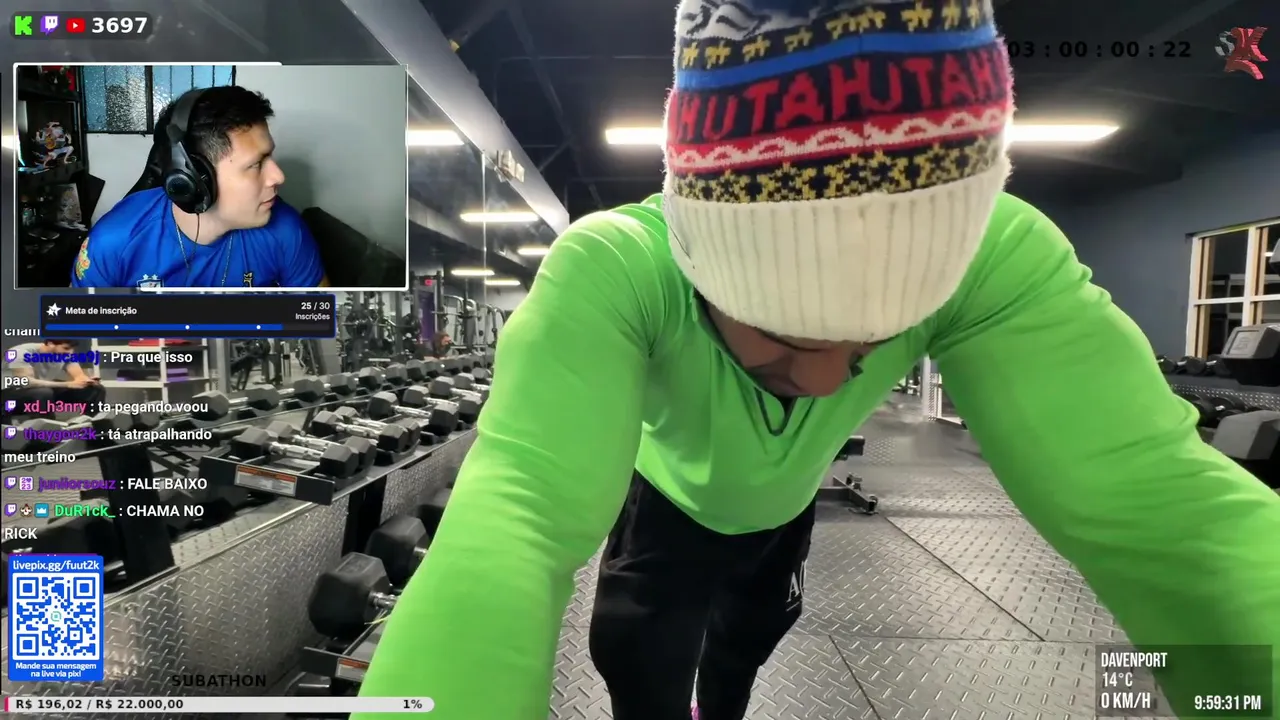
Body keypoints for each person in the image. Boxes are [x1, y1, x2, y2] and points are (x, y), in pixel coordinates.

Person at [355, 1, 1280, 718]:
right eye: (788, 337)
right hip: (665, 512)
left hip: (780, 519)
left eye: (874, 342)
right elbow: (511, 524)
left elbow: (1162, 507)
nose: (834, 381)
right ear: (698, 257)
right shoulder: (617, 268)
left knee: (737, 667)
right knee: (640, 674)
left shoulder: (998, 255)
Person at [70, 86, 328, 289]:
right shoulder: (114, 241)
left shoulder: (284, 227)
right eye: (256, 164)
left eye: (270, 156)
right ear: (195, 178)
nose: (278, 176)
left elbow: (321, 321)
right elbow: (76, 330)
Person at [3, 339, 106, 418]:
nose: (69, 352)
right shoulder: (20, 352)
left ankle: (91, 427)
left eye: (72, 349)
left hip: (40, 390)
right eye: (66, 348)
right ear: (50, 344)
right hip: (8, 394)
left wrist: (87, 381)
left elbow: (79, 376)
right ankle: (46, 434)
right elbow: (26, 383)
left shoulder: (66, 354)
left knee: (95, 389)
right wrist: (67, 384)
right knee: (43, 393)